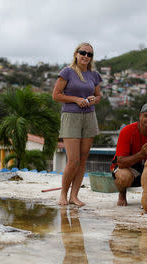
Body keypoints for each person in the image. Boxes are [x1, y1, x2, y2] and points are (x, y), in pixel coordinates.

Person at [52, 42, 102, 206]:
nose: (86, 56)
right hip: (71, 117)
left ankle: (74, 196)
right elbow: (56, 95)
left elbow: (98, 95)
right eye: (83, 52)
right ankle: (63, 194)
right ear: (76, 53)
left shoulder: (94, 75)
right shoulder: (67, 72)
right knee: (73, 160)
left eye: (90, 54)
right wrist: (76, 99)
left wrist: (95, 99)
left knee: (82, 159)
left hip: (89, 117)